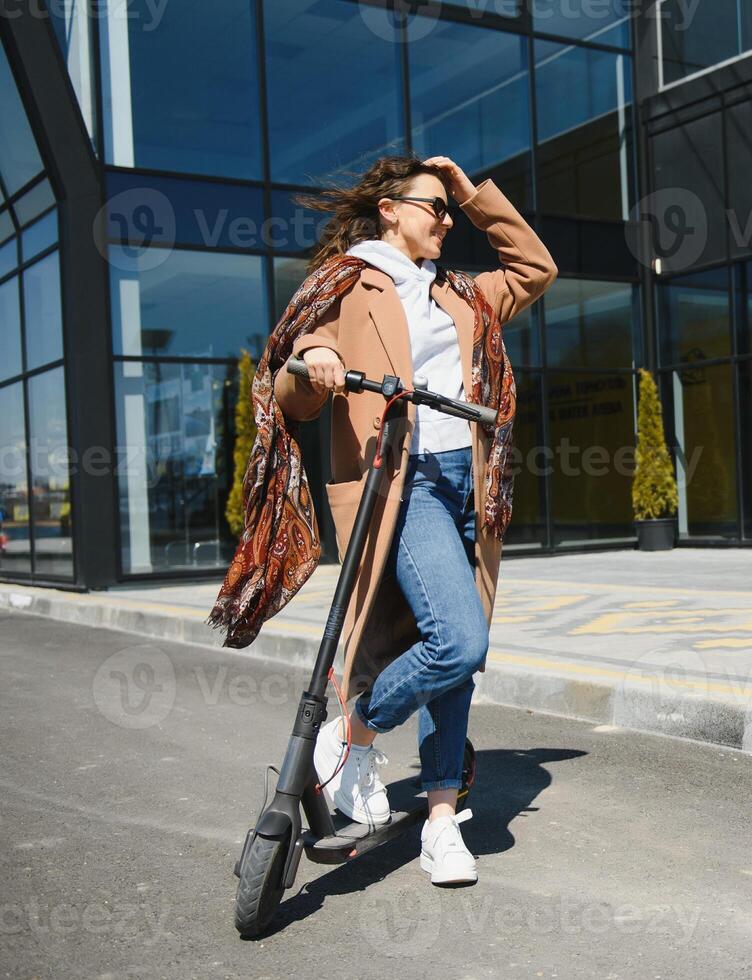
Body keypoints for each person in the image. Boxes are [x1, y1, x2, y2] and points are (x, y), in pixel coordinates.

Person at [276, 154, 555, 885]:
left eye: (449, 209)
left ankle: (438, 820)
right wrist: (317, 356)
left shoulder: (461, 293)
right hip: (405, 482)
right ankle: (355, 731)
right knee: (458, 641)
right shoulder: (344, 283)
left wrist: (472, 191)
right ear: (391, 209)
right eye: (435, 206)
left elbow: (534, 269)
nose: (446, 220)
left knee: (461, 664)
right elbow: (290, 377)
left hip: (473, 484)